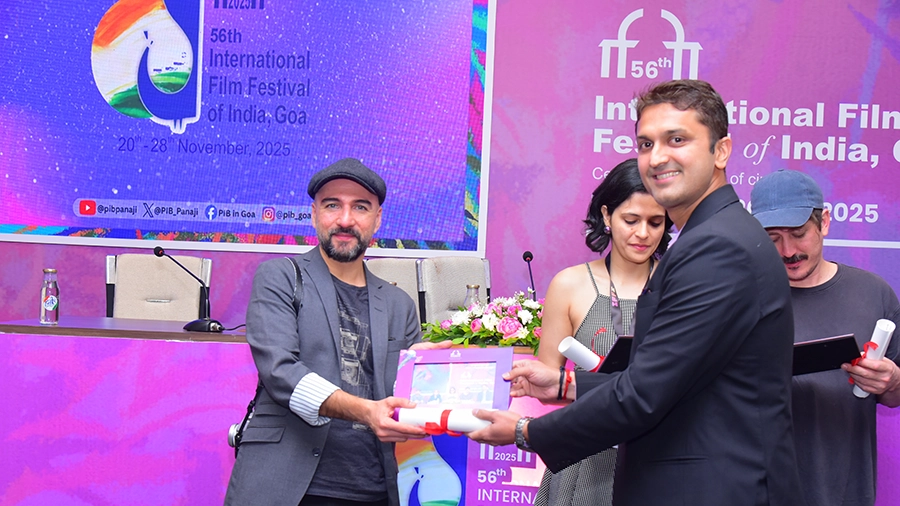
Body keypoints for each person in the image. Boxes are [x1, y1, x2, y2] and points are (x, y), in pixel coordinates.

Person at [468, 80, 803, 506]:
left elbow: (645, 393)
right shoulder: (714, 235)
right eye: (646, 144)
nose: (657, 157)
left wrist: (526, 432)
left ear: (721, 151)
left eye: (676, 140)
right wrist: (565, 384)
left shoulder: (717, 247)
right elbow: (675, 378)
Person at [225, 158, 449, 506]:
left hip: (376, 488)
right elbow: (280, 372)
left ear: (377, 219)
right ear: (314, 214)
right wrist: (365, 410)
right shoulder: (280, 277)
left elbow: (401, 401)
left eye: (360, 207)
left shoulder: (398, 304)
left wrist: (425, 374)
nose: (345, 220)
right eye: (333, 205)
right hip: (289, 487)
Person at [750, 169, 900, 506]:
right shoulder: (740, 297)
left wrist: (891, 381)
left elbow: (894, 396)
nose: (788, 250)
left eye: (799, 233)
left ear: (825, 223)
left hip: (845, 492)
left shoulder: (874, 294)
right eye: (772, 238)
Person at [533, 158, 670, 506]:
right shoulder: (570, 284)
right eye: (631, 220)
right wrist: (588, 387)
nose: (643, 234)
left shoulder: (679, 284)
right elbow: (545, 385)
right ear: (607, 216)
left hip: (659, 458)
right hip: (586, 457)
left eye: (655, 222)